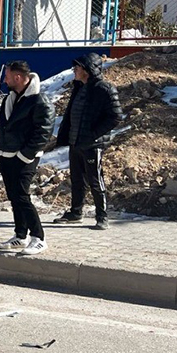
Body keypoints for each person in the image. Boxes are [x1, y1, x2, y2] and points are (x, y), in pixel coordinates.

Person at [52, 52, 121, 230]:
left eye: (78, 67)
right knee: (76, 179)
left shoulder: (104, 89)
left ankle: (102, 216)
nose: (74, 70)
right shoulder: (79, 88)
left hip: (92, 144)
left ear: (87, 70)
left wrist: (94, 135)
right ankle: (76, 212)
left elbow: (115, 117)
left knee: (95, 180)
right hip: (76, 142)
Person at [0, 61, 53, 255]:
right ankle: (20, 236)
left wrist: (24, 155)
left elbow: (43, 132)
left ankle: (39, 237)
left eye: (7, 77)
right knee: (14, 197)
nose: (5, 80)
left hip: (24, 158)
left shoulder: (39, 100)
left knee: (22, 196)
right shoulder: (11, 97)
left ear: (17, 78)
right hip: (6, 155)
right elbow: (3, 124)